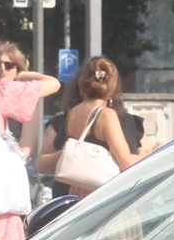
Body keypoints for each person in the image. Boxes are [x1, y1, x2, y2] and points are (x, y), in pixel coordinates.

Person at [0, 40, 60, 240]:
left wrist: (22, 77)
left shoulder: (9, 95)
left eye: (9, 66)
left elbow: (25, 152)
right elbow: (53, 83)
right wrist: (24, 77)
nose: (3, 70)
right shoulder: (0, 92)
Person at [50, 55, 140, 198]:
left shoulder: (72, 113)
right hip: (98, 194)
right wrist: (156, 152)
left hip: (72, 190)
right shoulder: (106, 114)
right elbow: (126, 162)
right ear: (113, 86)